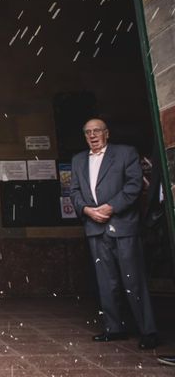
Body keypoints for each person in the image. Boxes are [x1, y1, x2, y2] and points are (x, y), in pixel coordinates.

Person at [69, 118, 158, 350]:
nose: (93, 135)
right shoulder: (78, 160)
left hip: (123, 225)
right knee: (105, 281)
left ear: (107, 133)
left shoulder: (125, 153)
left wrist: (110, 207)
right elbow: (75, 191)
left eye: (97, 131)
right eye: (88, 132)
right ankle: (114, 327)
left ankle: (147, 331)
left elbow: (133, 185)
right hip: (94, 228)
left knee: (133, 279)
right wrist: (87, 210)